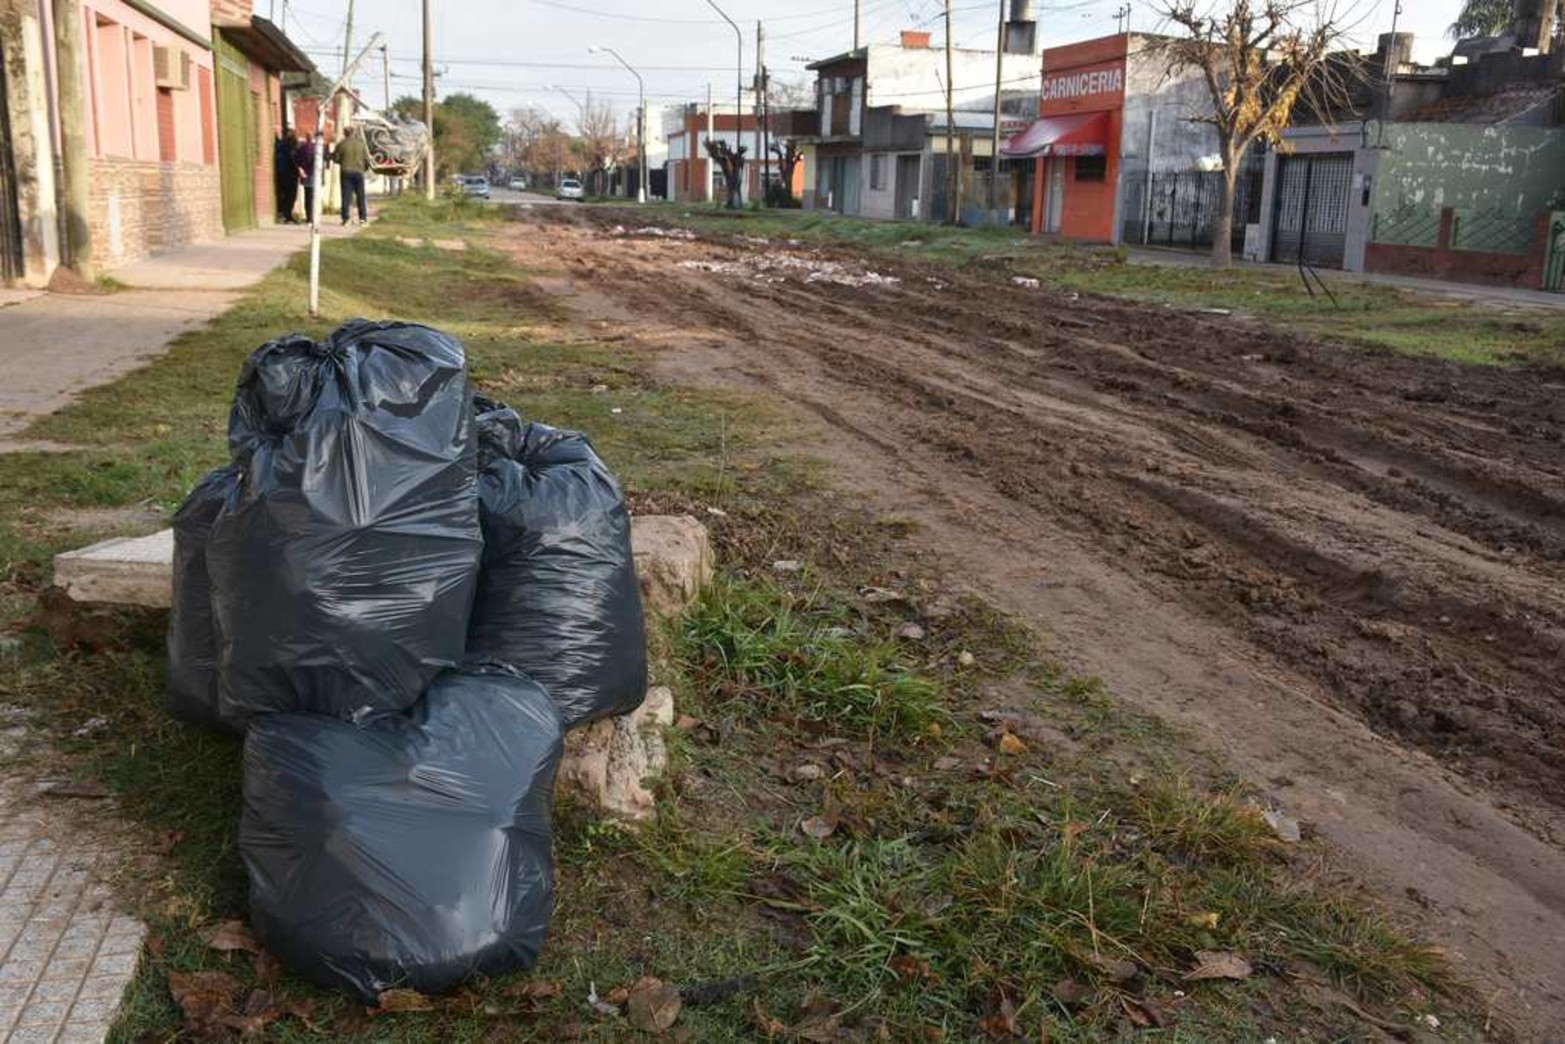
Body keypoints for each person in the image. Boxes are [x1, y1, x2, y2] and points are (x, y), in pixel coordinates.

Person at [334, 124, 369, 226]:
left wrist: (342, 161)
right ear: (353, 133)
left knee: (346, 196)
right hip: (359, 172)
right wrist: (364, 168)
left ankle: (346, 219)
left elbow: (336, 158)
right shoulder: (361, 144)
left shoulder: (341, 144)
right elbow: (366, 159)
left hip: (346, 172)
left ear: (344, 133)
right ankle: (362, 219)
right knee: (361, 196)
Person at [273, 129, 298, 223]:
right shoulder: (290, 146)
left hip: (280, 173)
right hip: (290, 174)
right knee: (291, 196)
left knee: (282, 195)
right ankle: (286, 215)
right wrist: (298, 169)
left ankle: (283, 213)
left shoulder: (280, 145)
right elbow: (293, 159)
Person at [294, 131, 317, 225]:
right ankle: (312, 218)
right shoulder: (316, 148)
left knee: (308, 197)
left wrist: (301, 170)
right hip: (314, 174)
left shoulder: (301, 148)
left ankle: (309, 218)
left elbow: (296, 159)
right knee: (312, 197)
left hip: (306, 174)